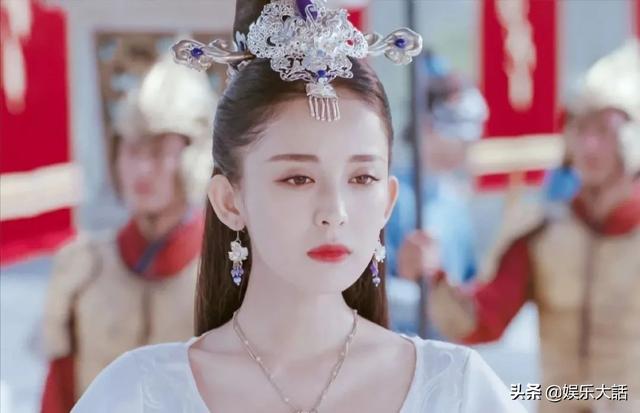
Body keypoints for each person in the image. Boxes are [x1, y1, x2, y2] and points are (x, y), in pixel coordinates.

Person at [72, 1, 526, 412]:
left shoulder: (459, 391)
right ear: (229, 201)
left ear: (388, 201)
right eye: (297, 178)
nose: (334, 211)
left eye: (361, 178)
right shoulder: (138, 393)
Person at [424, 40, 640, 412]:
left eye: (604, 131)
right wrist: (434, 275)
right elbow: (480, 322)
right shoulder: (541, 232)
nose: (589, 146)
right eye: (581, 129)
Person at [40, 55, 217, 413]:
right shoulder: (82, 267)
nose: (141, 169)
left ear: (194, 158)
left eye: (158, 152)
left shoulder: (224, 274)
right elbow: (58, 394)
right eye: (132, 151)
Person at [386, 53, 488, 334]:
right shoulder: (392, 195)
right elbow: (370, 285)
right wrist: (428, 299)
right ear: (427, 126)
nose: (466, 145)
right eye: (458, 135)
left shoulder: (454, 201)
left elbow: (468, 277)